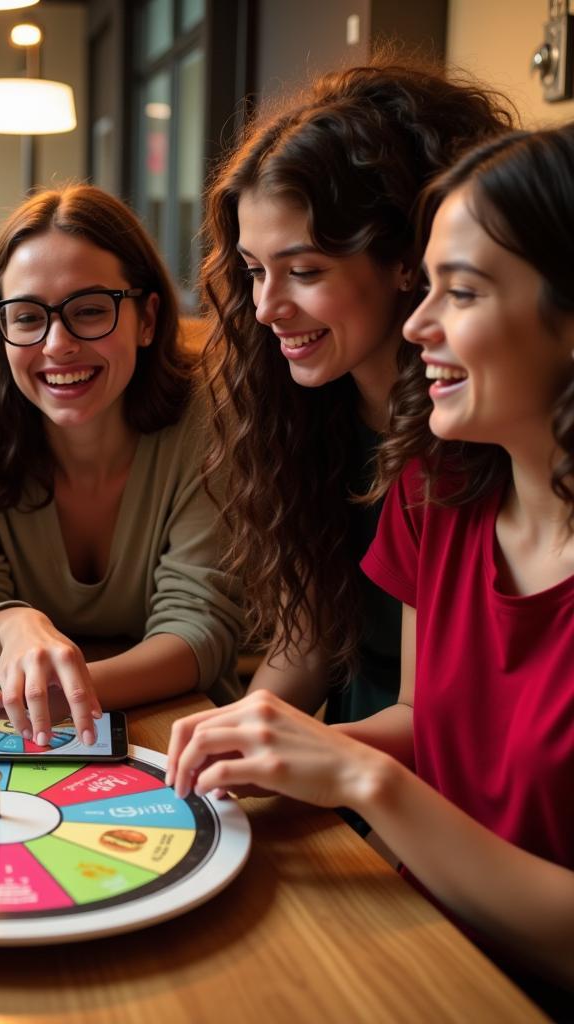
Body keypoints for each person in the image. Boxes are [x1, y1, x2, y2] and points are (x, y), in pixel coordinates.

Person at [168, 125, 574, 1010]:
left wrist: (360, 777)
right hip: (430, 942)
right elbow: (429, 722)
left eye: (458, 292)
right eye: (427, 287)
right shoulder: (437, 486)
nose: (420, 322)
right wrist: (280, 749)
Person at [199, 61, 513, 733]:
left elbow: (436, 718)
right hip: (354, 746)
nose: (264, 309)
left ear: (407, 259)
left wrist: (286, 751)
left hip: (424, 769)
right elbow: (307, 642)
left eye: (305, 271)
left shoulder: (474, 431)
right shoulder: (304, 411)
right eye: (254, 272)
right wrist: (237, 737)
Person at [0, 185, 243, 748]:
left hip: (181, 726)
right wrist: (17, 625)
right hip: (26, 723)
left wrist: (68, 693)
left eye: (90, 311)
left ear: (147, 318)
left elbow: (201, 629)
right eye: (26, 317)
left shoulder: (209, 416)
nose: (57, 344)